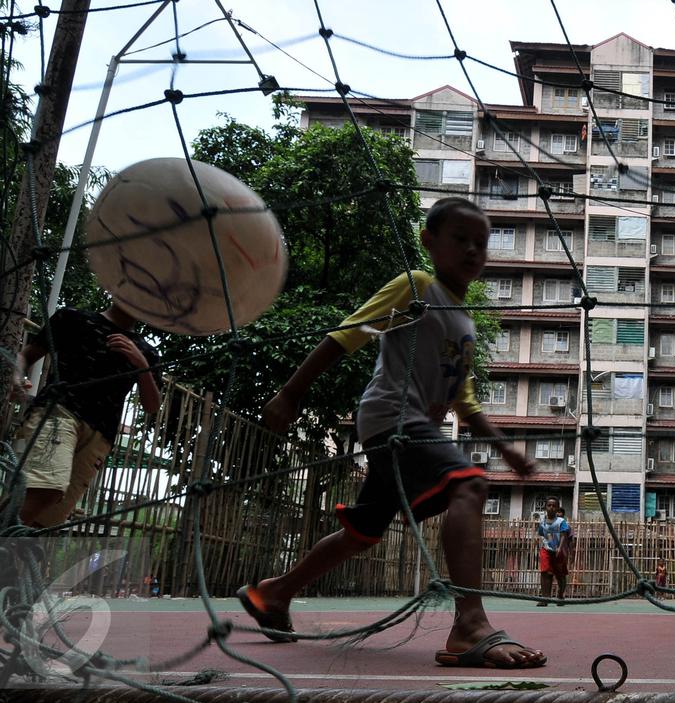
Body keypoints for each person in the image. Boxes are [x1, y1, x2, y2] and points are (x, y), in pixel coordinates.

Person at [235, 198, 545, 669]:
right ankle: (470, 624)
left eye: (480, 243)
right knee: (471, 484)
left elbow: (465, 401)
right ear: (429, 242)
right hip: (390, 419)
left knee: (363, 532)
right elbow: (347, 333)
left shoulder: (464, 321)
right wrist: (291, 392)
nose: (471, 250)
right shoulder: (418, 288)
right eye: (459, 239)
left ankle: (273, 594)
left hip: (408, 429)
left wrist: (509, 451)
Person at [9, 304, 161, 527]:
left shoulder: (147, 352)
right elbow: (26, 355)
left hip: (101, 436)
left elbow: (152, 405)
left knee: (45, 521)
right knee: (46, 490)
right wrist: (16, 377)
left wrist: (141, 364)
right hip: (58, 411)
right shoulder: (72, 318)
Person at [535, 496, 571, 607]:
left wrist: (560, 548)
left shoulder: (561, 521)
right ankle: (545, 598)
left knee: (560, 575)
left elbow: (564, 535)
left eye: (554, 506)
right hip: (546, 550)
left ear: (557, 508)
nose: (551, 508)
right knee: (545, 573)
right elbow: (541, 535)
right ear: (545, 507)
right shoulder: (542, 522)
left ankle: (560, 595)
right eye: (549, 505)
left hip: (559, 551)